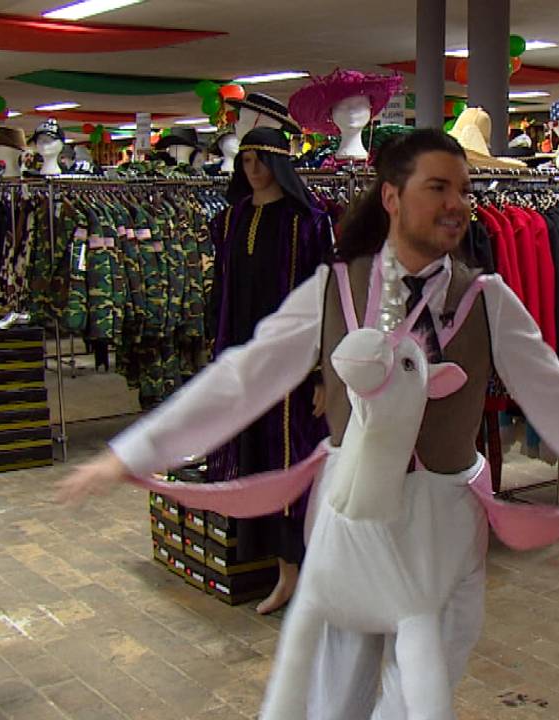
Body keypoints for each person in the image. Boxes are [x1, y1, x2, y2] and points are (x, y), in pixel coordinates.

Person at [57, 128, 559, 718]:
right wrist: (132, 452)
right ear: (392, 198)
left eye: (464, 191)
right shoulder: (333, 289)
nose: (457, 204)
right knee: (330, 695)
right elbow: (241, 378)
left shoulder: (488, 300)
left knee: (422, 692)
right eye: (438, 188)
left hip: (444, 529)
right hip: (353, 525)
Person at [207, 126, 332, 615]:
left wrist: (322, 369)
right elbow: (223, 292)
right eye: (245, 162)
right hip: (246, 361)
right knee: (254, 457)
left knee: (291, 463)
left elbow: (326, 301)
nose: (252, 171)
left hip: (293, 368)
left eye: (261, 160)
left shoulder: (309, 223)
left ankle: (296, 574)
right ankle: (273, 568)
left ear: (279, 163)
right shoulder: (235, 219)